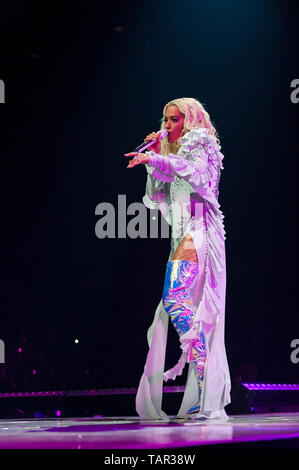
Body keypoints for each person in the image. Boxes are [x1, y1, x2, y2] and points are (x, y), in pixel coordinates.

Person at [125, 97, 231, 420]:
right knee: (173, 305)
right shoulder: (175, 153)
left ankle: (202, 379)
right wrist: (155, 157)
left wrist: (160, 160)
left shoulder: (202, 143)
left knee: (174, 298)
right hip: (181, 236)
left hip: (201, 230)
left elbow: (196, 174)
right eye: (165, 120)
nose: (167, 125)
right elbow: (155, 197)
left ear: (189, 120)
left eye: (173, 120)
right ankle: (201, 386)